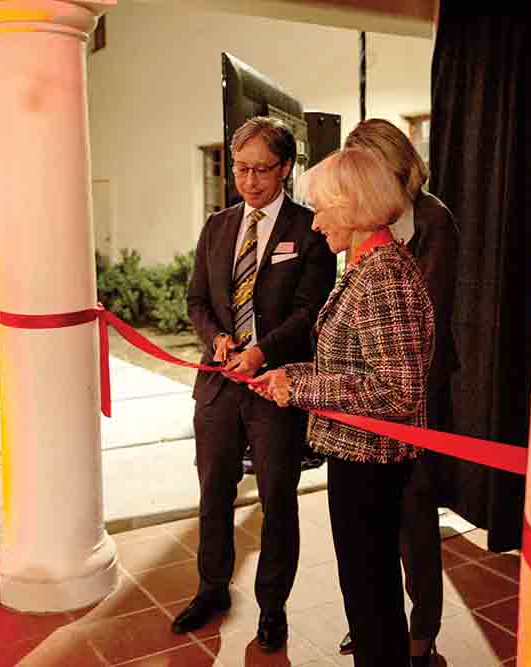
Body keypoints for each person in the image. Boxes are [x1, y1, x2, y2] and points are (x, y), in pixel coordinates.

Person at [252, 147, 434, 666]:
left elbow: (397, 391)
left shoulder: (383, 278)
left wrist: (304, 389)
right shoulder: (370, 267)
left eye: (322, 208)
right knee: (366, 595)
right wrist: (293, 375)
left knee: (371, 598)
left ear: (353, 206)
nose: (314, 222)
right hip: (359, 459)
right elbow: (355, 369)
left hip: (372, 462)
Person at [178, 117, 336, 651]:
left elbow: (310, 310)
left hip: (274, 386)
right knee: (214, 492)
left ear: (286, 168)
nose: (248, 181)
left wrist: (261, 351)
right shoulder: (218, 226)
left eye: (261, 170)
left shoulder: (310, 229)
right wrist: (219, 338)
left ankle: (273, 608)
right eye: (240, 169)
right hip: (220, 386)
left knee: (277, 499)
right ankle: (212, 588)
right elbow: (197, 300)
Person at [334, 119, 459, 663]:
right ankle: (376, 623)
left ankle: (421, 628)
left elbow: (421, 321)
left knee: (415, 515)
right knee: (374, 525)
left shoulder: (434, 219)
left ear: (398, 165)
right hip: (371, 394)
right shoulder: (360, 219)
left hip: (418, 392)